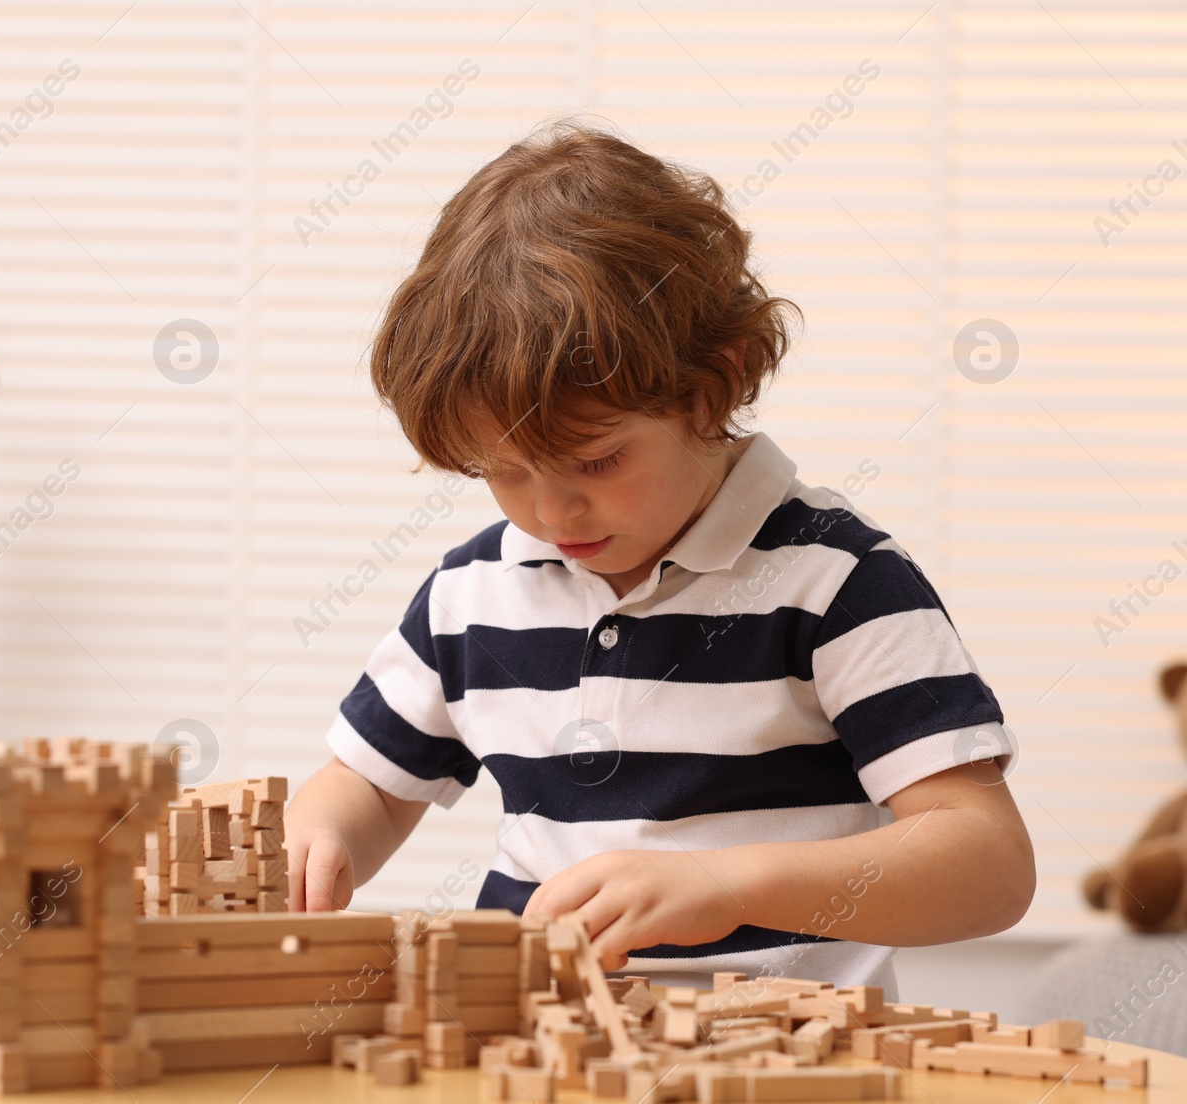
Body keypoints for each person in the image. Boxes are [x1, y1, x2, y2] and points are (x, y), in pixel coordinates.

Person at [283, 117, 1034, 989]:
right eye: (503, 471)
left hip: (778, 1064)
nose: (550, 508)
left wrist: (728, 885)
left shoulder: (836, 581)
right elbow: (371, 785)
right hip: (544, 1050)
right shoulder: (474, 593)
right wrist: (326, 830)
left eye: (597, 460)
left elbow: (988, 863)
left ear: (717, 378)